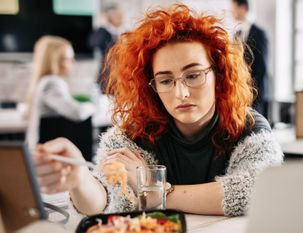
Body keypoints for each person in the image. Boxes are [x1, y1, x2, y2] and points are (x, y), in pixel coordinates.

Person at [33, 5, 283, 217]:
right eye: (165, 81)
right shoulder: (136, 133)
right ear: (151, 86)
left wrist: (154, 191)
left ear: (219, 75)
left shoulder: (247, 126)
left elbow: (260, 190)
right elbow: (105, 198)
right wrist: (79, 179)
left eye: (193, 75)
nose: (181, 93)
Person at [26, 35, 95, 159]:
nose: (73, 62)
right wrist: (93, 105)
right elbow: (76, 112)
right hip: (44, 154)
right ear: (55, 61)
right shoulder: (52, 83)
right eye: (69, 58)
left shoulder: (44, 81)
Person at [232, 0, 269, 119]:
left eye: (234, 7)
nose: (232, 11)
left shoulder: (259, 33)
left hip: (256, 93)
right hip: (240, 93)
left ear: (242, 8)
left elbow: (262, 66)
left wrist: (251, 89)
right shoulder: (237, 34)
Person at [89, 4, 124, 93]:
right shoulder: (103, 32)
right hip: (107, 76)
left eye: (120, 15)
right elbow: (93, 43)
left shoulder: (125, 32)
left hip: (123, 76)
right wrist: (104, 25)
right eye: (116, 15)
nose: (120, 17)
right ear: (109, 18)